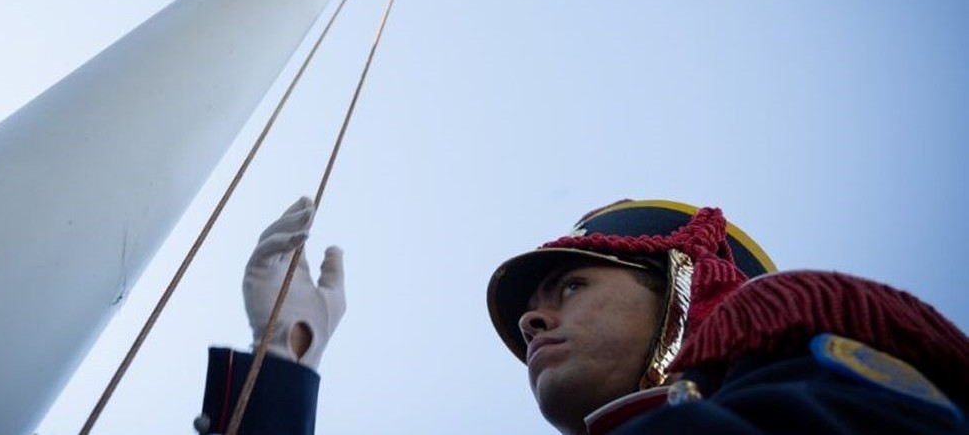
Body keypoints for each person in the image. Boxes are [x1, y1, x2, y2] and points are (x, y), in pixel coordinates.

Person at [197, 198, 969, 434]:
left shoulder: (816, 369)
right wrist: (286, 361)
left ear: (683, 290)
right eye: (531, 310)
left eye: (568, 285)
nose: (532, 322)